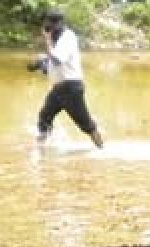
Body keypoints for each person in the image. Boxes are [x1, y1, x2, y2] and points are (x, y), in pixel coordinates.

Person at [34, 10, 103, 148]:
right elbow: (54, 65)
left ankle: (102, 150)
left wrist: (47, 41)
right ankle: (42, 150)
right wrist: (41, 66)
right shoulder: (58, 40)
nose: (46, 30)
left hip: (70, 89)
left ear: (56, 25)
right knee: (44, 117)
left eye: (47, 27)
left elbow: (58, 60)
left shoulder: (67, 37)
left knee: (86, 124)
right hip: (59, 89)